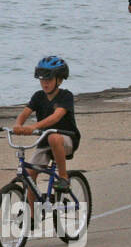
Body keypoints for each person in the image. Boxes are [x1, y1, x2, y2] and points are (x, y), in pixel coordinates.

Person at [12, 56, 80, 201]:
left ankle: (63, 177)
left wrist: (34, 127)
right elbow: (25, 113)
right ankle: (32, 218)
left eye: (49, 79)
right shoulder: (38, 96)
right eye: (42, 80)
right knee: (29, 176)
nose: (45, 83)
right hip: (44, 142)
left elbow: (56, 117)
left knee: (53, 136)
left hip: (66, 139)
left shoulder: (66, 96)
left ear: (59, 80)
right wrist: (18, 125)